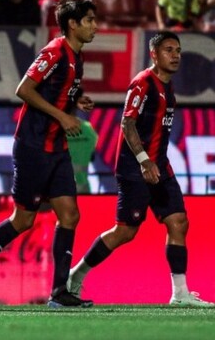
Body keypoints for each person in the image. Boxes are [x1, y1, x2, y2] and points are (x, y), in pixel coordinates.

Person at [0, 0, 98, 309]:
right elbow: (24, 88)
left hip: (57, 147)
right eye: (89, 20)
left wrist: (77, 102)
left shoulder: (77, 55)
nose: (95, 26)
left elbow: (58, 92)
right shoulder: (55, 51)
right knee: (22, 221)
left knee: (70, 215)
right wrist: (62, 116)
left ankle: (59, 292)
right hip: (33, 146)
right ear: (73, 24)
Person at [67, 31, 214, 307]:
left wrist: (154, 161)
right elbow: (127, 123)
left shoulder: (167, 87)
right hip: (136, 167)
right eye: (169, 50)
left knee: (178, 222)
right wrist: (144, 159)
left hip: (160, 166)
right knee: (125, 231)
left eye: (178, 50)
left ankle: (180, 293)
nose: (176, 55)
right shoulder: (143, 83)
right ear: (154, 55)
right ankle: (76, 275)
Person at [66, 118, 98, 194]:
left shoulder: (85, 127)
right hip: (77, 163)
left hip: (74, 163)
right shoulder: (86, 127)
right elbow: (94, 138)